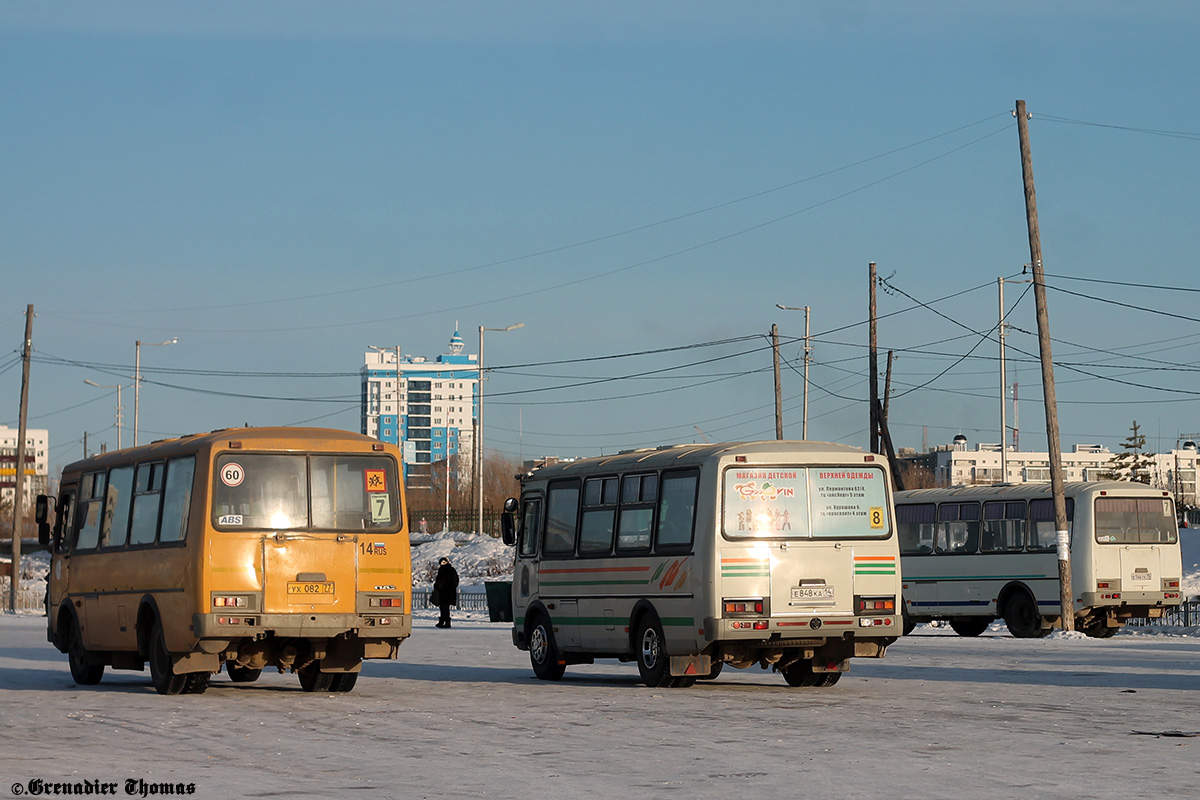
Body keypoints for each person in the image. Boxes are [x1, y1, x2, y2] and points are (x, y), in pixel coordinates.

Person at [433, 556, 459, 628]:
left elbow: (441, 581)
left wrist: (438, 587)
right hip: (447, 592)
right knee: (444, 607)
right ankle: (443, 622)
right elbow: (455, 581)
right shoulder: (450, 570)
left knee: (444, 607)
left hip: (445, 592)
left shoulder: (445, 570)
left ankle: (446, 622)